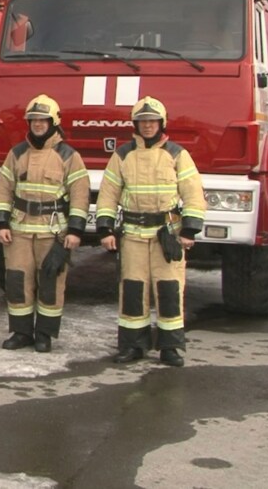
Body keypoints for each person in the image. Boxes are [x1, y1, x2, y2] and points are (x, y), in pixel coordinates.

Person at [96, 96, 205, 367]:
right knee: (132, 291)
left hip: (165, 235)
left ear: (161, 123)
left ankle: (170, 348)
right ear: (136, 124)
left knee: (169, 290)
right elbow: (108, 194)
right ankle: (133, 345)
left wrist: (189, 230)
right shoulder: (122, 155)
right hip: (132, 235)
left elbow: (193, 193)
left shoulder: (177, 154)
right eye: (143, 121)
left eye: (152, 121)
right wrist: (105, 229)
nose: (147, 126)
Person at [0, 94, 89, 353]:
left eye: (43, 120)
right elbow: (3, 189)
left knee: (50, 284)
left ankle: (44, 334)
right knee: (17, 282)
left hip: (52, 232)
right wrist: (1, 224)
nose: (37, 124)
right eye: (33, 120)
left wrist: (76, 231)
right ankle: (21, 332)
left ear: (53, 122)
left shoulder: (68, 155)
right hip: (19, 231)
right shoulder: (17, 153)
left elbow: (80, 193)